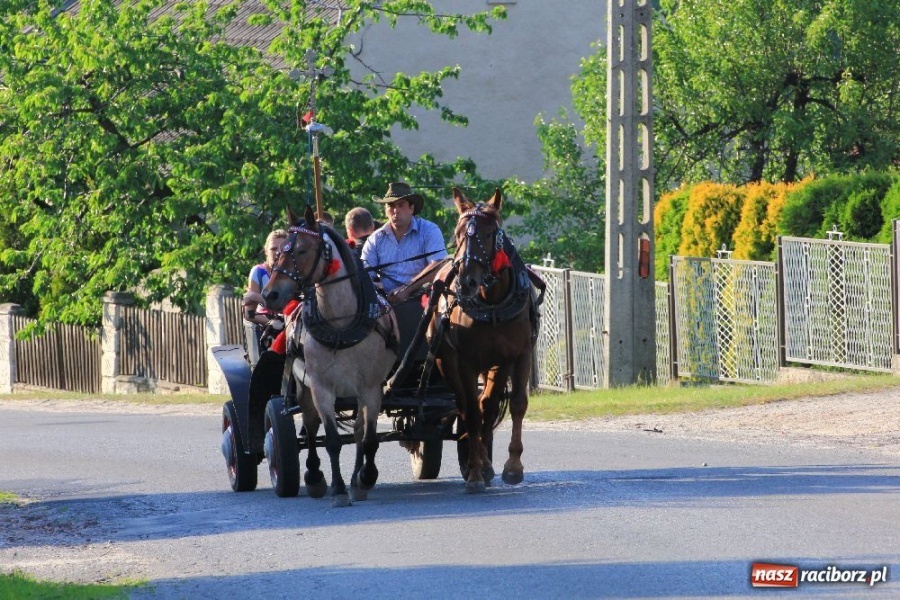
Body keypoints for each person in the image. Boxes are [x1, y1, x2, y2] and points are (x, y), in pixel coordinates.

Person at [361, 182, 448, 303]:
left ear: (411, 208)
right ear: (385, 210)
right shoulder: (375, 239)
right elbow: (365, 273)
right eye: (390, 205)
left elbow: (439, 264)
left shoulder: (429, 231)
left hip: (421, 301)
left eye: (401, 205)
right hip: (385, 304)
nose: (395, 210)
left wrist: (407, 289)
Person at [242, 229, 288, 352]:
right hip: (266, 325)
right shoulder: (258, 272)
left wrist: (257, 298)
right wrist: (272, 323)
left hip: (290, 321)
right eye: (273, 249)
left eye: (282, 248)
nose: (278, 252)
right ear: (266, 251)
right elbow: (249, 314)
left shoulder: (292, 273)